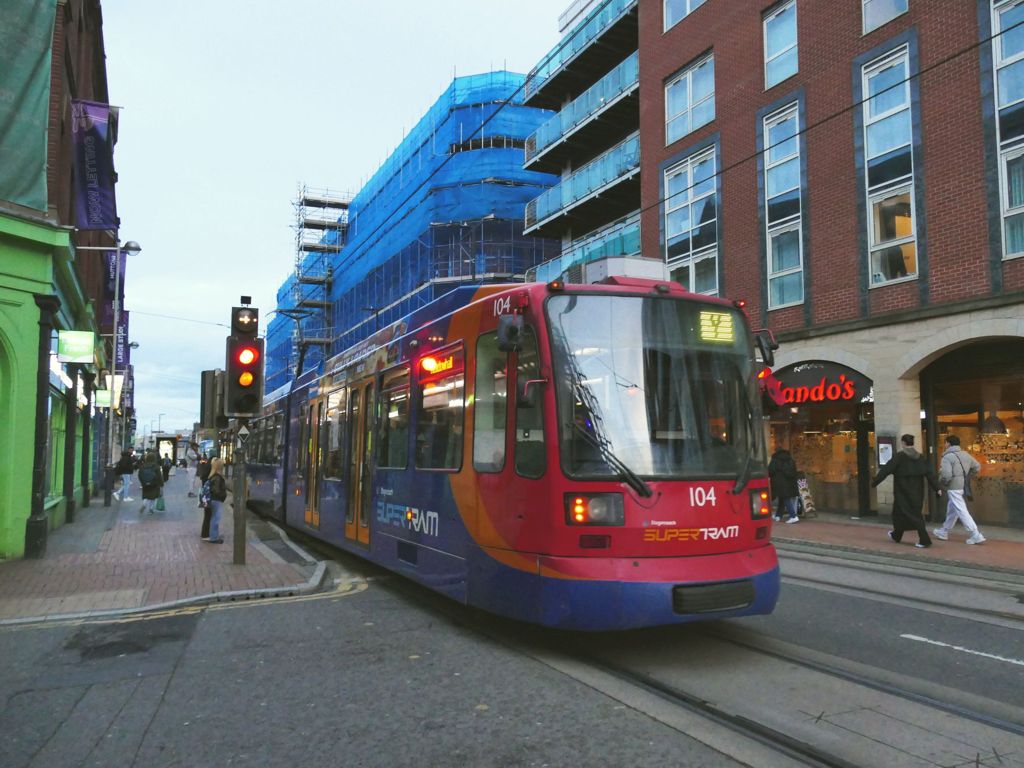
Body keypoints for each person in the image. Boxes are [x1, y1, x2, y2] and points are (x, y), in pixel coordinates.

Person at [871, 434, 937, 548]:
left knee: (911, 515)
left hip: (902, 490)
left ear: (903, 443)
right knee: (903, 513)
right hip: (917, 491)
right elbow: (929, 473)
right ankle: (896, 535)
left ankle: (924, 539)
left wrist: (875, 482)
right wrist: (937, 487)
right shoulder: (920, 457)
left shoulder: (899, 457)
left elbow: (886, 470)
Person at [934, 435, 985, 544]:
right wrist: (967, 476)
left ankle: (975, 533)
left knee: (961, 510)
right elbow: (977, 467)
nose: (945, 445)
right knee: (953, 508)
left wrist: (942, 482)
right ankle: (944, 531)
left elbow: (946, 475)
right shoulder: (966, 454)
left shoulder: (947, 457)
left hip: (953, 486)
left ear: (948, 443)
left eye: (945, 443)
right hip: (962, 485)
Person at [768, 446, 800, 524]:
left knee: (785, 499)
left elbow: (770, 470)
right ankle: (778, 515)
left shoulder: (775, 459)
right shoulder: (790, 459)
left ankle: (793, 516)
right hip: (790, 483)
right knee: (783, 498)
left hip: (780, 483)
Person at [203, 457, 228, 543]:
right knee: (215, 519)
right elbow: (216, 490)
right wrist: (222, 496)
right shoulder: (217, 478)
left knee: (214, 518)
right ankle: (214, 538)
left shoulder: (212, 476)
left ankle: (214, 535)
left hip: (213, 500)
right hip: (216, 500)